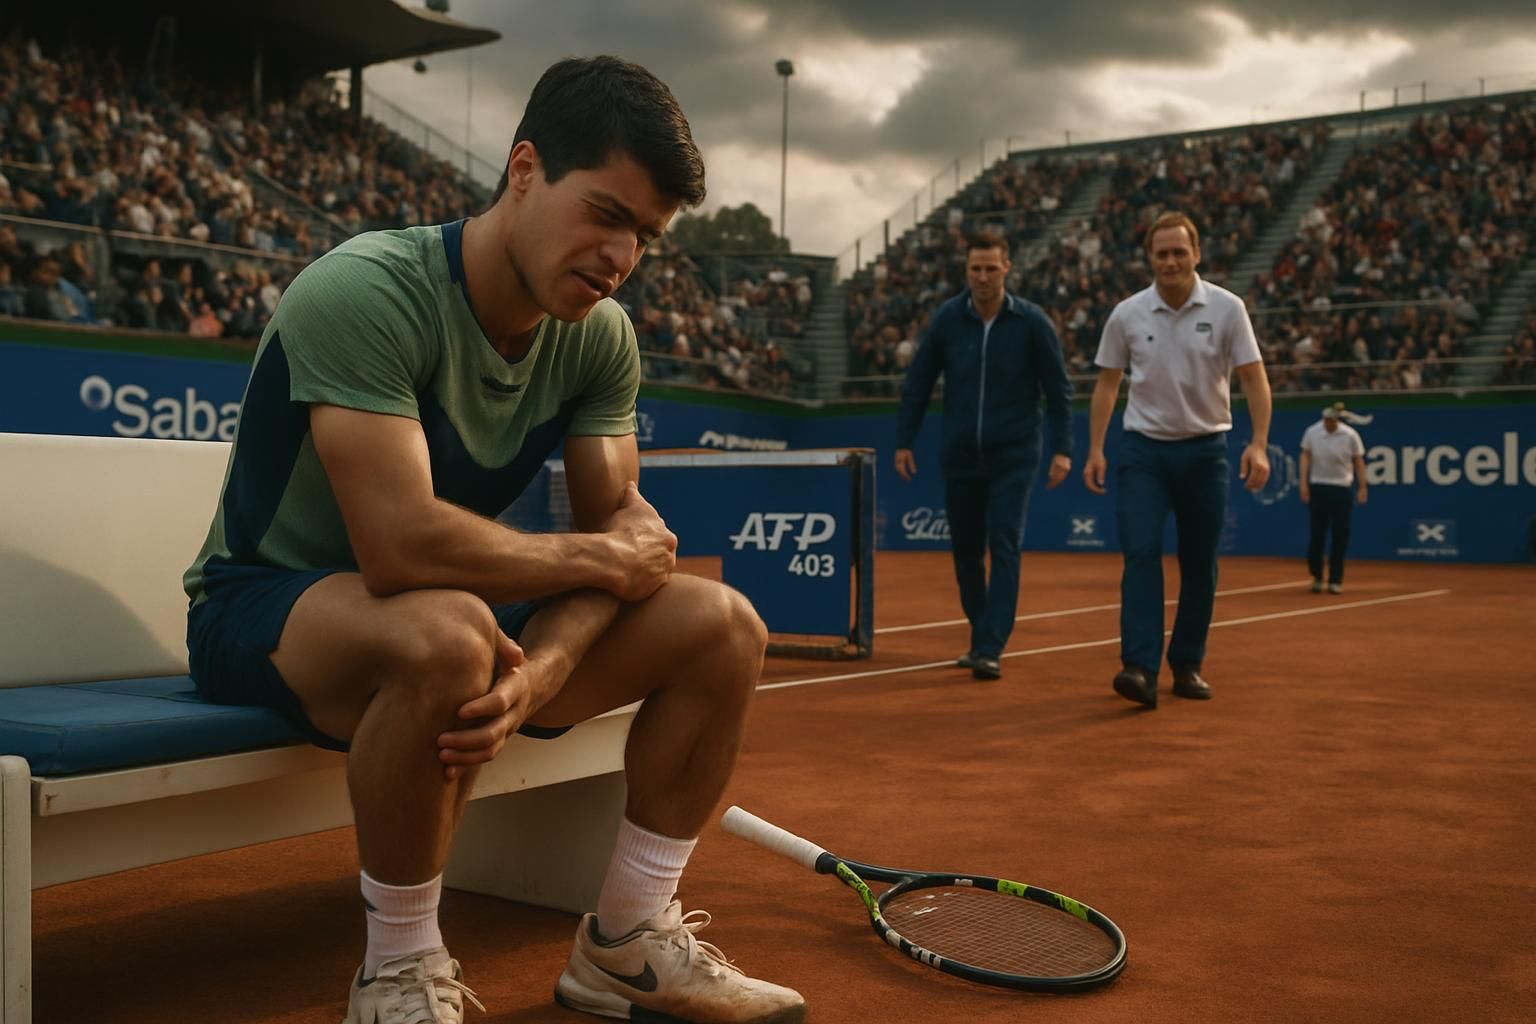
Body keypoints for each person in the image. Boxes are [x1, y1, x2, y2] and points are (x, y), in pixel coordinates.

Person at [183, 56, 804, 1024]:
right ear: (523, 170)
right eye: (603, 213)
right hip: (264, 607)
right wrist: (604, 561)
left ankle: (627, 944)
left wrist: (548, 667)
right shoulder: (365, 289)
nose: (618, 256)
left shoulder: (600, 336)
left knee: (721, 622)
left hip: (457, 616)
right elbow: (399, 546)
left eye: (643, 236)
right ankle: (397, 967)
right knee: (446, 633)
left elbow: (630, 546)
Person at [1084, 211, 1272, 709]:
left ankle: (1187, 662)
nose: (1170, 261)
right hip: (1143, 451)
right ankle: (1139, 668)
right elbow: (1106, 384)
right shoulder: (1127, 313)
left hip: (1206, 450)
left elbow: (1254, 377)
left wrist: (1258, 443)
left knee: (1199, 561)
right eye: (1161, 253)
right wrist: (1097, 448)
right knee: (1141, 553)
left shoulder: (1229, 309)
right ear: (1150, 258)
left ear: (1197, 254)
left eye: (1178, 252)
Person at [894, 229, 1073, 680]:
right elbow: (918, 383)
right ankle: (981, 634)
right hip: (961, 454)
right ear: (966, 270)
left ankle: (991, 645)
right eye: (976, 269)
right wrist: (903, 439)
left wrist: (1064, 449)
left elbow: (1058, 390)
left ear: (1007, 269)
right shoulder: (948, 320)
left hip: (1015, 452)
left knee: (1004, 542)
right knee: (966, 550)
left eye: (992, 268)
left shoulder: (1032, 323)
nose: (983, 277)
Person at [1300, 403, 1368, 594]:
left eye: (1331, 420)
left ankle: (1335, 580)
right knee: (1317, 534)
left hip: (1342, 488)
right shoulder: (1312, 432)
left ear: (1337, 420)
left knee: (1340, 535)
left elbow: (1358, 461)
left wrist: (1363, 487)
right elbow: (1305, 457)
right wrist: (1304, 484)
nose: (1328, 423)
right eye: (1326, 420)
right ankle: (1317, 577)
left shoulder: (1350, 435)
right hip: (1319, 487)